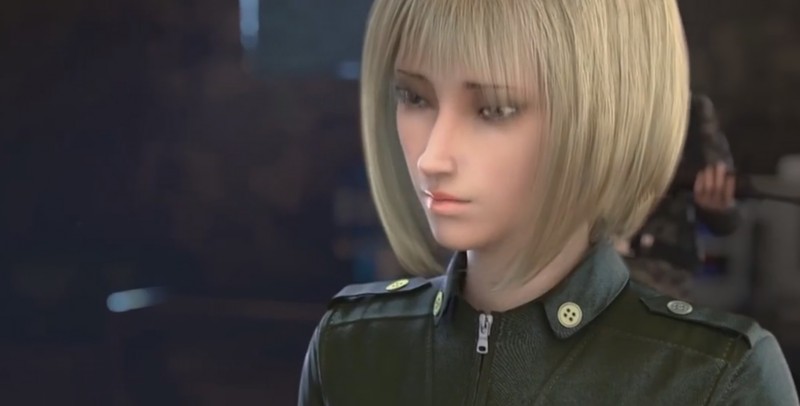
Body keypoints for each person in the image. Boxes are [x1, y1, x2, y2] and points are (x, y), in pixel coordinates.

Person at [299, 1, 799, 404]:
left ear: (599, 116)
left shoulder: (713, 379)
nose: (433, 156)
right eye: (414, 97)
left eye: (494, 108)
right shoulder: (351, 346)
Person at [619, 94, 742, 299]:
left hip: (657, 272)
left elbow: (727, 211)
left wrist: (718, 205)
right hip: (583, 262)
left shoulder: (689, 107)